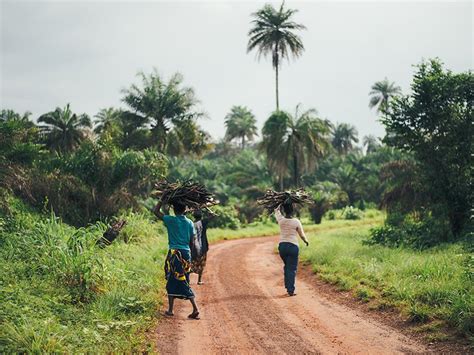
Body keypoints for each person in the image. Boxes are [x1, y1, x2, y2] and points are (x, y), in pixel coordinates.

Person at [154, 200, 200, 319]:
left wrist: (162, 200)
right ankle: (173, 309)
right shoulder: (189, 222)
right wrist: (190, 255)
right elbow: (192, 241)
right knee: (184, 279)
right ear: (185, 209)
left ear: (174, 209)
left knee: (173, 280)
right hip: (186, 254)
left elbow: (155, 211)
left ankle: (191, 309)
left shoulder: (171, 220)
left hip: (175, 254)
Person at [274, 203, 309, 296]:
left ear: (284, 211)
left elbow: (276, 211)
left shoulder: (281, 220)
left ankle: (287, 286)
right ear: (293, 211)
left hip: (282, 247)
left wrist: (279, 205)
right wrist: (306, 241)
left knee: (287, 266)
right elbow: (302, 235)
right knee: (291, 268)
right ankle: (290, 290)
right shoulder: (296, 221)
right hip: (293, 247)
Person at [190, 210, 210, 285]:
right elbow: (212, 215)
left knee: (191, 262)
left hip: (193, 247)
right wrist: (206, 210)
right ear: (201, 216)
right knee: (202, 263)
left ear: (193, 216)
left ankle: (187, 280)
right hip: (203, 247)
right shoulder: (203, 222)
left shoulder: (191, 223)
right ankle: (199, 280)